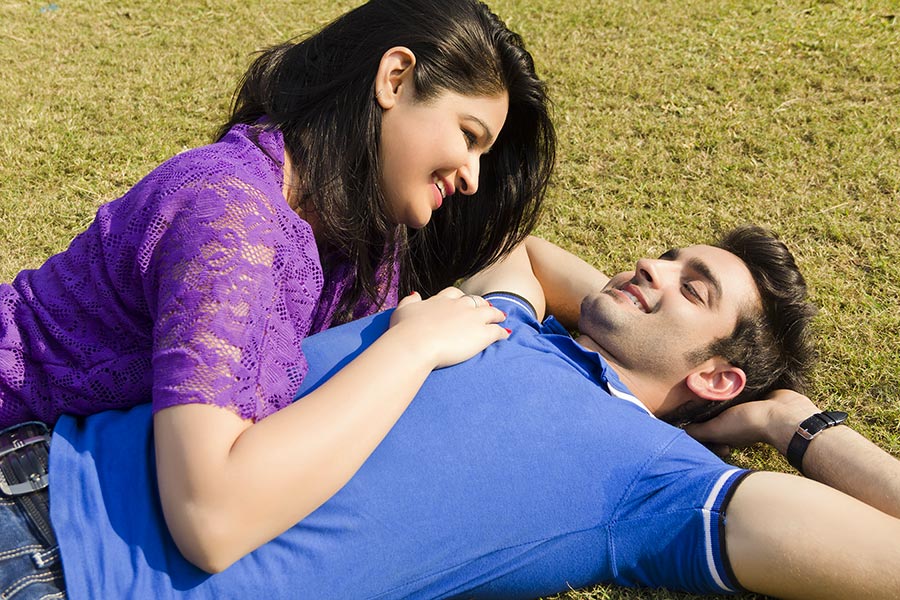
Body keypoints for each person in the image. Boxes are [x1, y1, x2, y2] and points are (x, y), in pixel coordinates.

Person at [18, 225, 899, 599]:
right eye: (667, 255)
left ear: (717, 379)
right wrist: (633, 326)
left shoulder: (660, 488)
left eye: (690, 288)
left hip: (76, 579)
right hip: (41, 452)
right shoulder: (502, 318)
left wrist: (790, 423)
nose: (651, 269)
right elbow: (537, 256)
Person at [0, 0, 555, 580]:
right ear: (395, 79)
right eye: (469, 137)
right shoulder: (230, 218)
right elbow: (208, 521)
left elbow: (523, 258)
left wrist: (654, 337)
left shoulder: (359, 238)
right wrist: (410, 350)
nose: (472, 177)